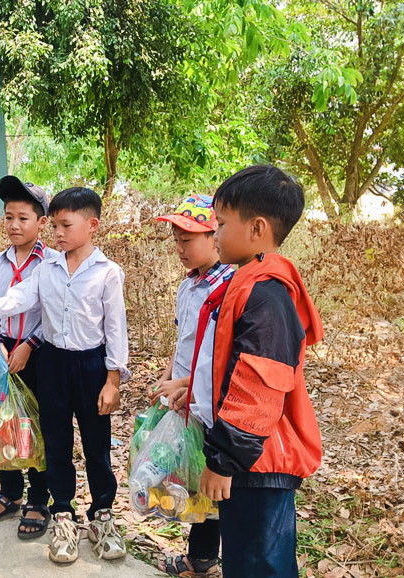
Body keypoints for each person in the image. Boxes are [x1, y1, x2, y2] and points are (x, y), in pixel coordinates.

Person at [0, 187, 130, 565]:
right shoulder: (47, 270)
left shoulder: (107, 274)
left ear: (92, 225)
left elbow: (116, 330)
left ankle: (102, 515)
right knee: (54, 445)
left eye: (66, 225)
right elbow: (17, 300)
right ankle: (64, 514)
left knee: (96, 447)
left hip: (91, 367)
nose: (58, 233)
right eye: (54, 225)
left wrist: (113, 379)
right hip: (53, 365)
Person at [200, 165, 324, 578]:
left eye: (220, 223)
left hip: (259, 463)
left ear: (256, 228)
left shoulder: (266, 295)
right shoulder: (251, 282)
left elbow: (258, 388)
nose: (214, 233)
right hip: (254, 459)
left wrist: (223, 459)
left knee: (258, 565)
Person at [146, 194, 232, 577]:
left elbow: (222, 357)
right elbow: (185, 343)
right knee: (193, 475)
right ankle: (198, 557)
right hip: (183, 396)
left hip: (207, 400)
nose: (180, 247)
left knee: (213, 476)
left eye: (188, 239)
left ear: (215, 236)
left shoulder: (229, 288)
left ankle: (206, 559)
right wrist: (169, 374)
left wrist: (188, 385)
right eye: (176, 239)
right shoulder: (188, 286)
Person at [0, 176, 58, 538]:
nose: (14, 225)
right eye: (9, 217)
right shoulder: (0, 262)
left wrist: (28, 345)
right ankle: (9, 494)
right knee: (3, 422)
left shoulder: (52, 263)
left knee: (38, 425)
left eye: (23, 218)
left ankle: (39, 499)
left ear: (42, 223)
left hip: (37, 353)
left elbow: (51, 313)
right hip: (2, 351)